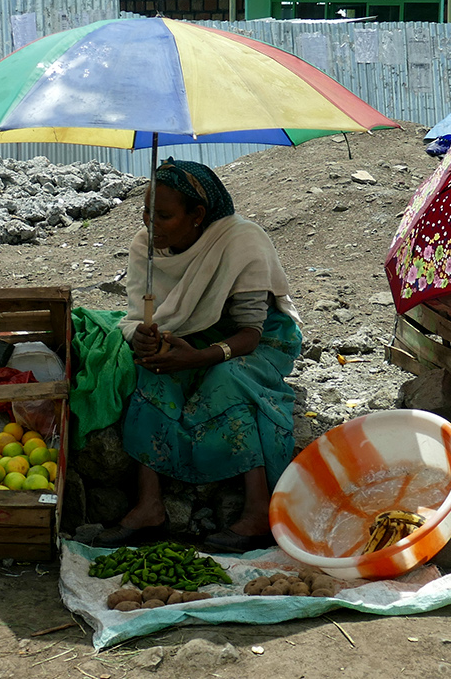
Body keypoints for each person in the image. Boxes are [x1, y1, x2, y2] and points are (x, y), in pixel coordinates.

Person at [101, 159, 303, 552]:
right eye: (145, 211)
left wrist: (199, 358)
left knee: (226, 379)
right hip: (191, 332)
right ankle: (149, 505)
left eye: (163, 215)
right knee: (151, 370)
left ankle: (259, 508)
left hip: (259, 340)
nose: (149, 223)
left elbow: (251, 331)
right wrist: (142, 337)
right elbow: (138, 316)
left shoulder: (241, 242)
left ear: (197, 215)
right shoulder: (147, 245)